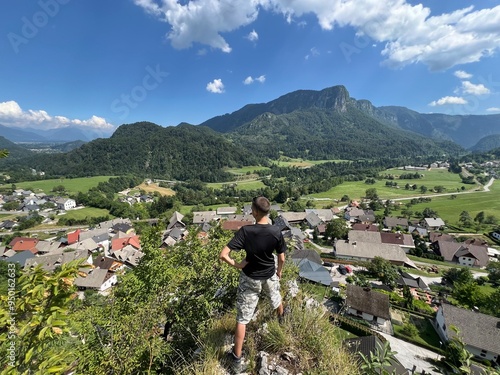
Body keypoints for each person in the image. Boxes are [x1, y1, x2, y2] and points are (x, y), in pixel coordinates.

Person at [219, 196, 286, 373]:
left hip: (250, 278)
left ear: (254, 211)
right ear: (268, 211)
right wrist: (279, 272)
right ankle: (282, 322)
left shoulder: (245, 231)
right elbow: (281, 257)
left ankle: (236, 358)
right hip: (270, 274)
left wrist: (238, 265)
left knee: (242, 318)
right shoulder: (276, 231)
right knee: (276, 297)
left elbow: (223, 254)